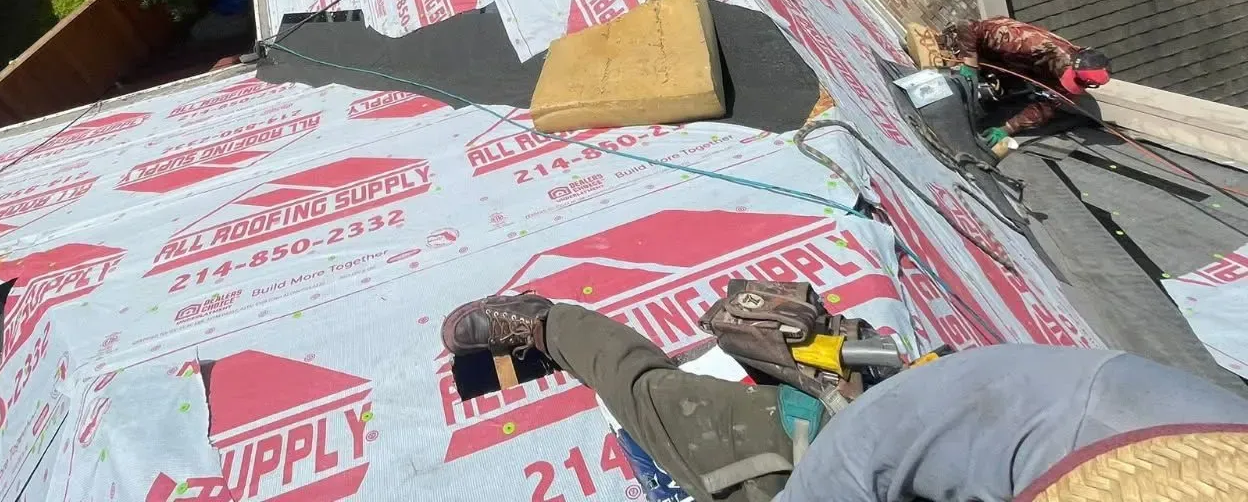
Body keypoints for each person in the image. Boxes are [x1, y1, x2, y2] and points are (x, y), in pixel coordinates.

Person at [441, 294, 1248, 502]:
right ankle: (552, 326)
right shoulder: (1069, 413)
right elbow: (870, 445)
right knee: (664, 411)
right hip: (853, 445)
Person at [940, 16, 1113, 135]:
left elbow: (1046, 108)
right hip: (970, 49)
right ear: (1069, 63)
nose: (1065, 83)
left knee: (991, 97)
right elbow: (967, 26)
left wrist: (1007, 128)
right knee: (951, 88)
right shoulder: (1029, 42)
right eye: (1067, 77)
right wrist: (970, 65)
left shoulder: (1072, 80)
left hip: (1007, 67)